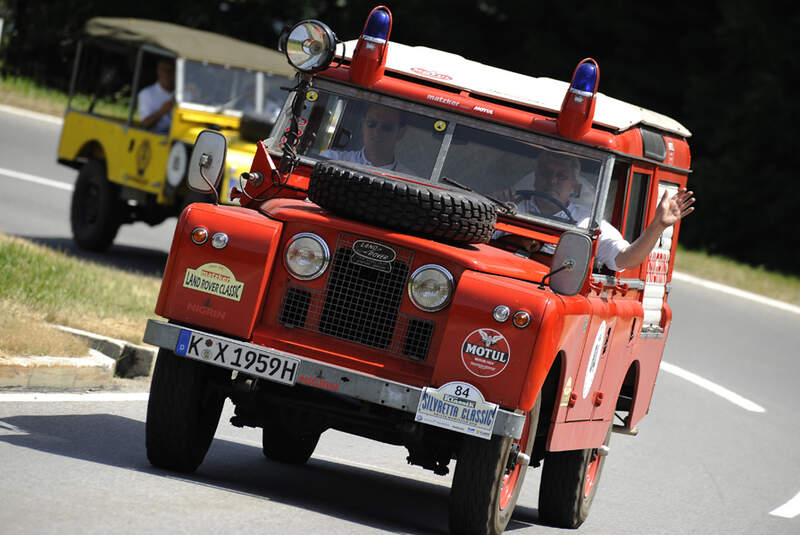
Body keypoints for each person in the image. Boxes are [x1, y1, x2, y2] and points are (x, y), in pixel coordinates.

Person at [496, 152, 695, 272]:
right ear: (536, 177)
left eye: (561, 176)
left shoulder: (587, 223)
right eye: (546, 173)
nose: (552, 181)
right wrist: (494, 207)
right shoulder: (511, 207)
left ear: (573, 187)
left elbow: (625, 260)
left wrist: (658, 225)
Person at [322, 104, 408, 171]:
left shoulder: (409, 181)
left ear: (400, 133)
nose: (377, 131)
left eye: (386, 127)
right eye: (371, 123)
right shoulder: (332, 159)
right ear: (363, 125)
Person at [137, 58, 175, 134]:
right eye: (164, 70)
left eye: (170, 70)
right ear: (158, 71)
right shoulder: (146, 94)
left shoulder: (183, 94)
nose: (167, 74)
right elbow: (145, 124)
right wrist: (162, 111)